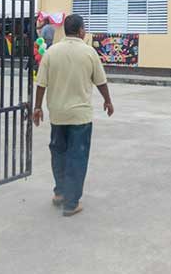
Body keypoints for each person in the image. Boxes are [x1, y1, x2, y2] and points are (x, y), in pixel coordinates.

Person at [32, 14, 114, 217]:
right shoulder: (89, 52)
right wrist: (108, 100)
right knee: (77, 157)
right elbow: (100, 81)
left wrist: (38, 107)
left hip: (58, 115)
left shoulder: (52, 52)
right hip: (80, 117)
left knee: (58, 153)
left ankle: (60, 192)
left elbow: (41, 83)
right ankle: (71, 202)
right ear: (80, 31)